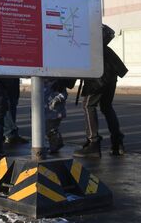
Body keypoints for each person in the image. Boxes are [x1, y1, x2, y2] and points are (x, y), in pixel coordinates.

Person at [73, 24, 128, 158]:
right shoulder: (94, 30)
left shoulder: (81, 32)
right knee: (106, 107)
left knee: (88, 105)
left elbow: (76, 61)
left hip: (99, 75)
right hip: (111, 71)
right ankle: (117, 142)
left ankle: (93, 143)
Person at [44, 78, 76, 154]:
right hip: (49, 113)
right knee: (50, 130)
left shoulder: (57, 83)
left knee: (51, 130)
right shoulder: (42, 84)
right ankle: (56, 144)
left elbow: (64, 94)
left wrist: (56, 99)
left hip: (55, 112)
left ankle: (55, 146)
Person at [1, 78, 28, 145]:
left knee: (12, 101)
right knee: (6, 103)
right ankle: (10, 132)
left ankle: (10, 132)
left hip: (11, 74)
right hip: (3, 74)